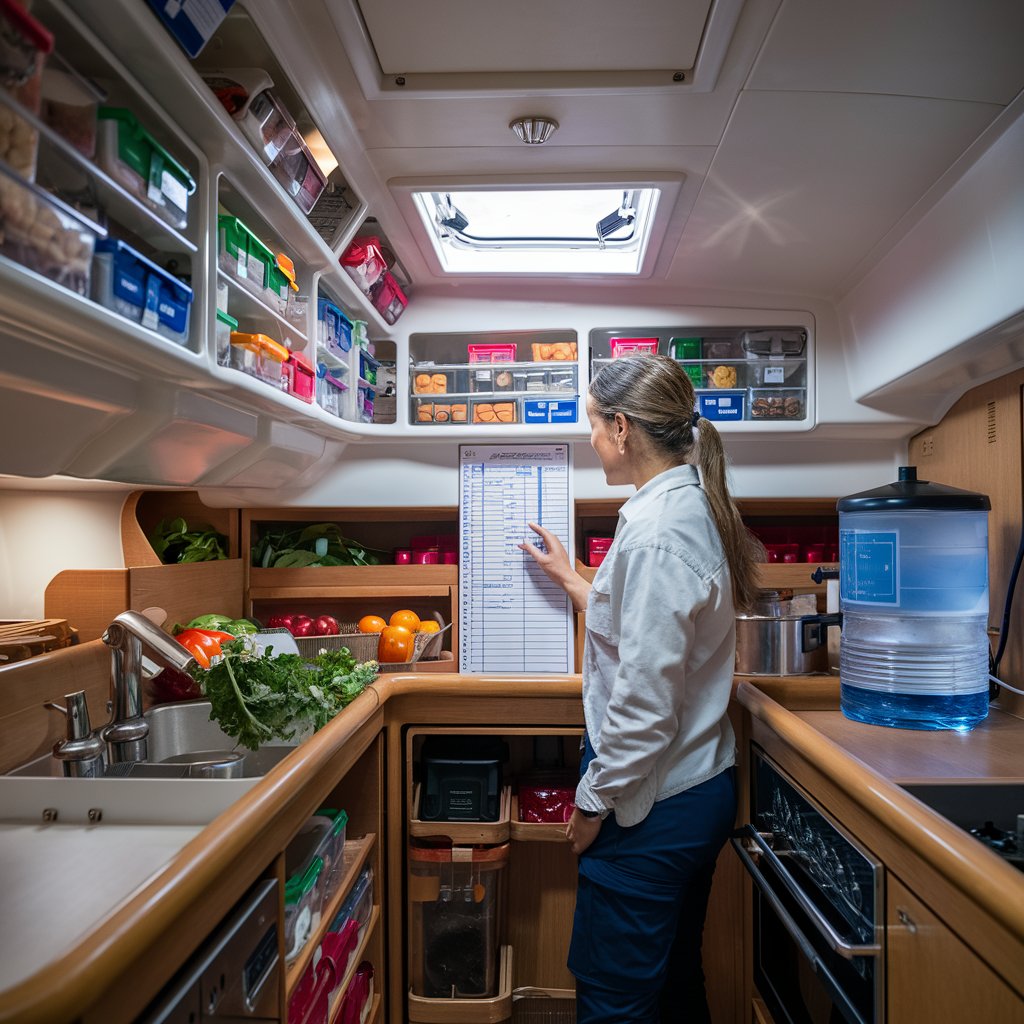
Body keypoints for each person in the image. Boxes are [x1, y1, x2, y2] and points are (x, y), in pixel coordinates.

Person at [519, 354, 763, 1024]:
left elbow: (646, 705)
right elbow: (645, 627)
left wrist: (592, 803)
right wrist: (573, 578)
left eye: (594, 426)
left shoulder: (657, 533)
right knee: (675, 981)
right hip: (692, 789)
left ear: (622, 429)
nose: (590, 440)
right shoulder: (677, 508)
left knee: (614, 999)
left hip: (653, 802)